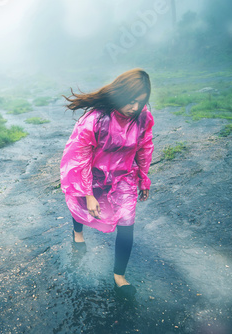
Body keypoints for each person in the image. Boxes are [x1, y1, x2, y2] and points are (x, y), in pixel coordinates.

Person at [60, 68, 154, 296]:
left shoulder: (143, 119)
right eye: (131, 101)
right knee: (81, 204)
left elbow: (144, 148)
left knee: (127, 222)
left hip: (124, 177)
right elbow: (79, 156)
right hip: (92, 175)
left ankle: (119, 276)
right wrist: (88, 193)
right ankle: (78, 234)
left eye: (140, 103)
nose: (134, 108)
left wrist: (143, 177)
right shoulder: (95, 120)